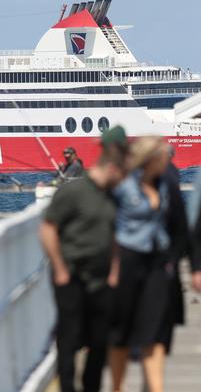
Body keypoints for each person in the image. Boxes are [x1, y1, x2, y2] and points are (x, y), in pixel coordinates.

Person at [39, 135, 127, 392]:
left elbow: (115, 235)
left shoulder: (112, 197)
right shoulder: (73, 192)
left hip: (101, 280)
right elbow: (48, 229)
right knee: (68, 339)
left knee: (99, 342)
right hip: (72, 277)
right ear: (111, 167)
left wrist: (115, 272)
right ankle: (67, 387)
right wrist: (61, 269)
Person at [108, 136, 187, 392]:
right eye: (163, 155)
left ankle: (156, 388)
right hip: (127, 262)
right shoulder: (121, 186)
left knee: (154, 331)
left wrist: (173, 260)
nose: (168, 159)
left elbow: (179, 225)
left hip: (157, 265)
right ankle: (117, 386)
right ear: (151, 159)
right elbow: (107, 225)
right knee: (121, 333)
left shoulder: (167, 184)